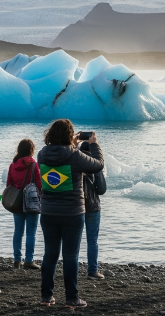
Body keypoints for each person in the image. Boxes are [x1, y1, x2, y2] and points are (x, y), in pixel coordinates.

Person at [38, 120, 104, 309]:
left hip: (48, 212)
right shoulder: (74, 155)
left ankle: (46, 297)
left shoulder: (41, 154)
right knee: (70, 255)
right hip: (72, 213)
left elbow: (58, 154)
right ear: (70, 135)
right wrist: (93, 144)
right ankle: (72, 298)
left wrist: (71, 143)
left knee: (50, 254)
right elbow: (98, 164)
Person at [6, 139, 42, 269]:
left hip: (17, 202)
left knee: (18, 231)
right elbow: (39, 184)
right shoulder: (33, 165)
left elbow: (8, 184)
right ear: (31, 150)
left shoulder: (13, 165)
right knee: (31, 232)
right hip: (31, 201)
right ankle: (29, 260)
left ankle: (17, 260)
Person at [81, 141, 107, 280]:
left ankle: (71, 269)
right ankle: (92, 270)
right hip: (93, 206)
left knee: (73, 240)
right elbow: (101, 189)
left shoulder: (74, 162)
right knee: (92, 240)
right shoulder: (94, 164)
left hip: (76, 206)